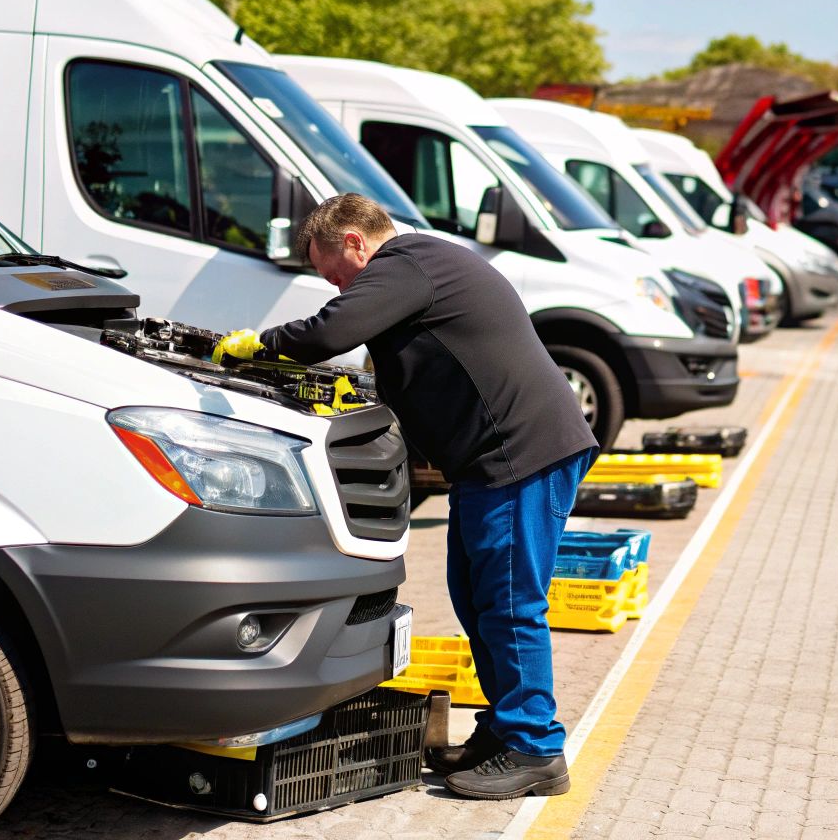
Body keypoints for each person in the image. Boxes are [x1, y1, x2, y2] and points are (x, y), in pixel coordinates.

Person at [212, 193, 596, 800]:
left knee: (510, 603)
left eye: (335, 274)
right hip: (490, 463)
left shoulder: (407, 263)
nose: (338, 288)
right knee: (476, 599)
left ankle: (536, 748)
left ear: (355, 243)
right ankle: (505, 728)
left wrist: (261, 345)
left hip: (522, 455)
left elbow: (332, 331)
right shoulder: (421, 272)